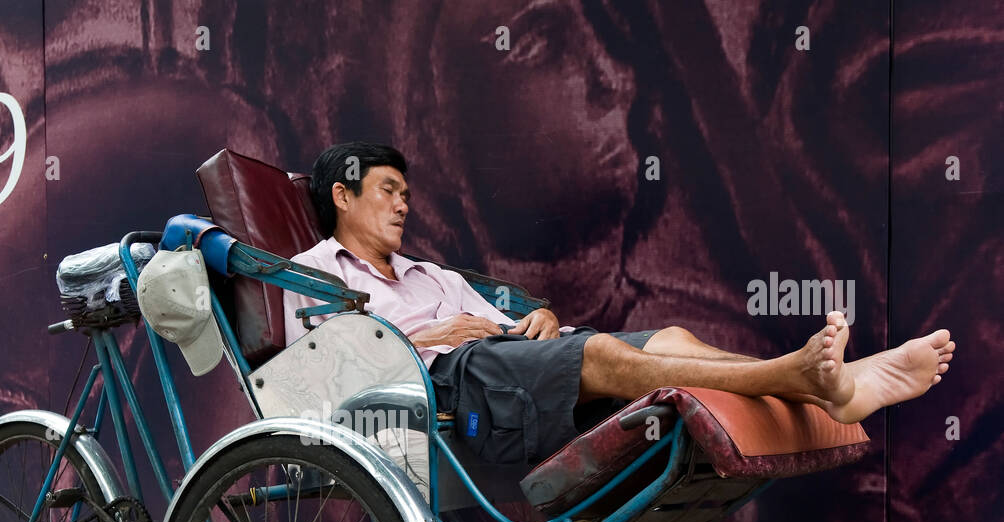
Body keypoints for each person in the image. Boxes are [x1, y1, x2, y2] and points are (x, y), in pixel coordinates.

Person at [281, 142, 954, 469]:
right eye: (389, 190)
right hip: (442, 387)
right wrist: (433, 330)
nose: (404, 204)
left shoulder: (427, 269)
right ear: (342, 196)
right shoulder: (310, 274)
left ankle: (831, 389)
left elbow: (491, 316)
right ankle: (798, 377)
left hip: (505, 360)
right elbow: (327, 368)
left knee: (673, 341)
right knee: (601, 352)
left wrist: (534, 319)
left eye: (406, 193)